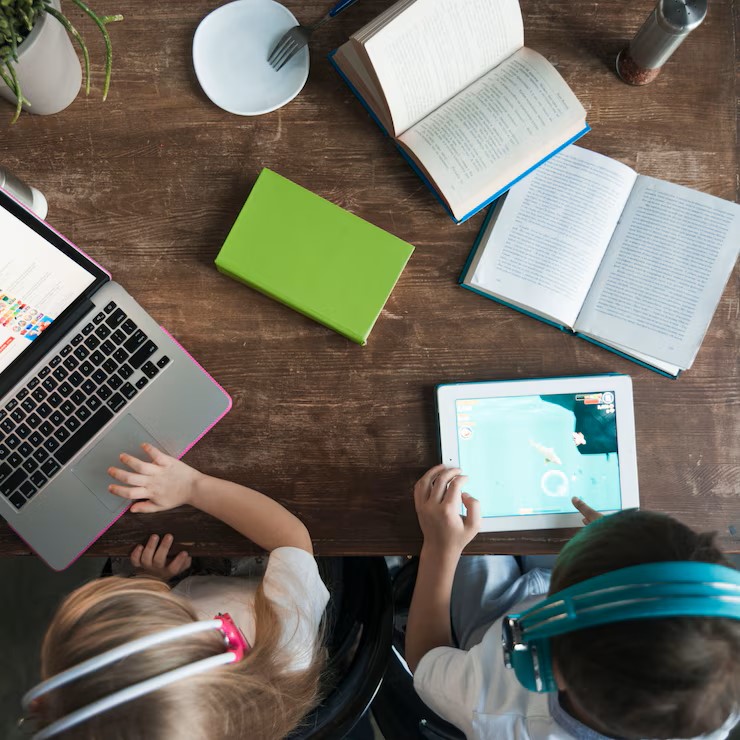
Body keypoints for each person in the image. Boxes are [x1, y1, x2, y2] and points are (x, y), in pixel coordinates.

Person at [406, 465, 740, 739]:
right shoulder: (717, 697)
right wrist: (619, 541)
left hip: (492, 624)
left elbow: (425, 660)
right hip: (580, 601)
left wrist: (440, 547)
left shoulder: (493, 710)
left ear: (548, 666)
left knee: (460, 513)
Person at [22, 443, 329, 739]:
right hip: (258, 572)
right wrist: (192, 486)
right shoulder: (286, 644)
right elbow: (291, 540)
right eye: (144, 609)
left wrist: (149, 581)